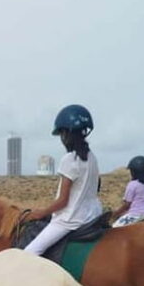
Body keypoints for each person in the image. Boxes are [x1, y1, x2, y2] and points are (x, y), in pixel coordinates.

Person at [23, 104, 103, 256]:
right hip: (92, 215)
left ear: (66, 133)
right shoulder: (92, 157)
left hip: (71, 218)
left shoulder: (69, 159)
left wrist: (41, 213)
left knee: (29, 252)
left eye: (61, 134)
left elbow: (63, 201)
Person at [111, 155, 144, 227]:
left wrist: (115, 214)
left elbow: (127, 205)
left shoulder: (132, 184)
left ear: (135, 171)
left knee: (114, 228)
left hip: (135, 214)